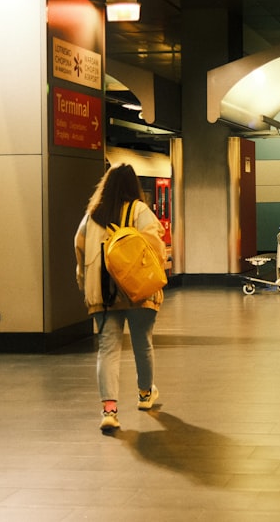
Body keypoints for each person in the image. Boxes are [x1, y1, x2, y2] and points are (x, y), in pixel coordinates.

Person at [74, 163, 167, 433]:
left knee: (108, 349)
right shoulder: (140, 211)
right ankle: (145, 394)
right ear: (132, 185)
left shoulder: (92, 215)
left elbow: (78, 246)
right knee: (143, 343)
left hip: (103, 294)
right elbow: (156, 247)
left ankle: (110, 411)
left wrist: (84, 279)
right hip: (138, 290)